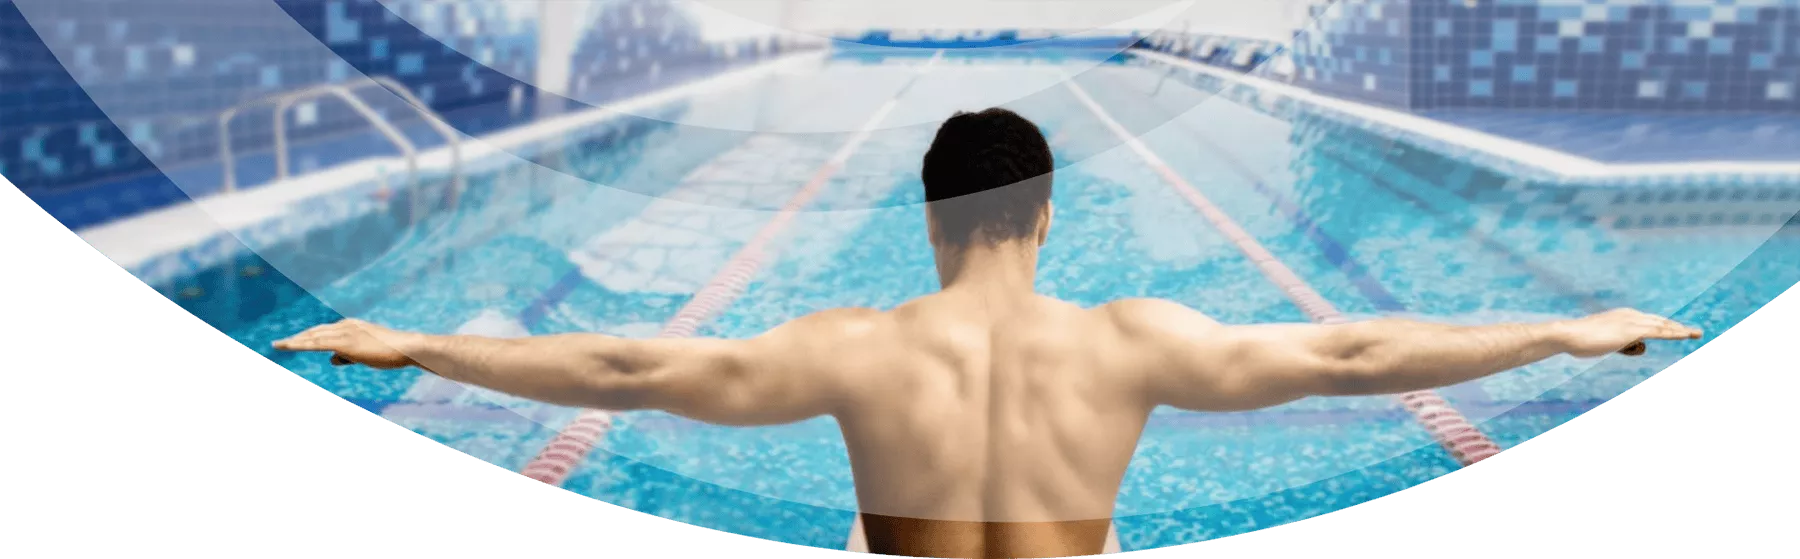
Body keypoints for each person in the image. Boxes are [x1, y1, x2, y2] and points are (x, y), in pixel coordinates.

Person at [274, 108, 1702, 559]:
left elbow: (626, 369)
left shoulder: (855, 345)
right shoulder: (1132, 339)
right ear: (1048, 214)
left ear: (927, 215)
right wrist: (1570, 329)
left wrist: (411, 344)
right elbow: (1358, 356)